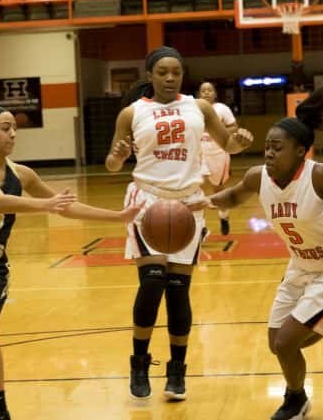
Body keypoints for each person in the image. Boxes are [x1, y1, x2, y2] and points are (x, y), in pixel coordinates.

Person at [0, 106, 143, 420]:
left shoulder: (22, 174)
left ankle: (0, 411)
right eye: (5, 128)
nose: (12, 134)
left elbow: (66, 208)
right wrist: (44, 204)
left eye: (14, 129)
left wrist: (117, 216)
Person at [203, 87, 323, 420]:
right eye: (267, 147)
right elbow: (231, 198)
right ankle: (318, 351)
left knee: (288, 342)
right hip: (300, 268)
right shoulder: (257, 176)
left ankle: (294, 399)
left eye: (278, 148)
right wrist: (200, 202)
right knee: (277, 342)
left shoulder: (320, 174)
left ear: (301, 151)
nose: (269, 154)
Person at [105, 46, 253, 401]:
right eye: (163, 72)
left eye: (176, 72)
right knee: (153, 282)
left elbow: (227, 144)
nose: (170, 78)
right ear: (150, 76)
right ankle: (139, 363)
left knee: (177, 290)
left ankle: (177, 370)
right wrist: (119, 156)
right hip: (148, 201)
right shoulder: (132, 113)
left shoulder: (198, 108)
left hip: (188, 203)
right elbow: (112, 164)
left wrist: (241, 143)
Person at [198, 81, 238, 235]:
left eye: (209, 90)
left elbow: (234, 127)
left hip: (218, 154)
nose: (206, 93)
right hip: (200, 155)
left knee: (218, 190)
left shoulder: (222, 109)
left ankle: (224, 217)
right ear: (199, 94)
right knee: (195, 189)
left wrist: (218, 130)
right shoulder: (194, 109)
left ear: (214, 93)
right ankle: (200, 227)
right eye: (203, 91)